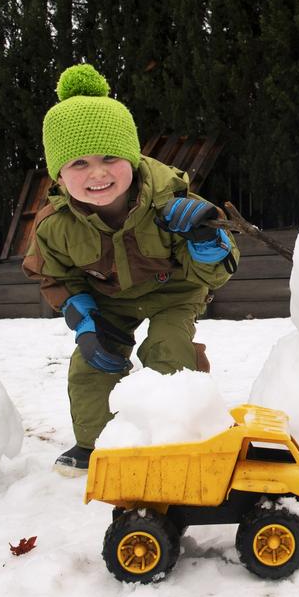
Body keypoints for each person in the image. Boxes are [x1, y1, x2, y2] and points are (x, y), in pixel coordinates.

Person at [23, 63, 239, 474]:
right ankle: (95, 444)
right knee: (89, 365)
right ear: (59, 173)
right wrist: (84, 320)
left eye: (110, 157)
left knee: (168, 350)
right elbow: (54, 275)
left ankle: (176, 432)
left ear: (133, 157)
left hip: (173, 294)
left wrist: (207, 242)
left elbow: (212, 275)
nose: (98, 173)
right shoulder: (54, 224)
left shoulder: (170, 201)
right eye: (79, 164)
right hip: (108, 299)